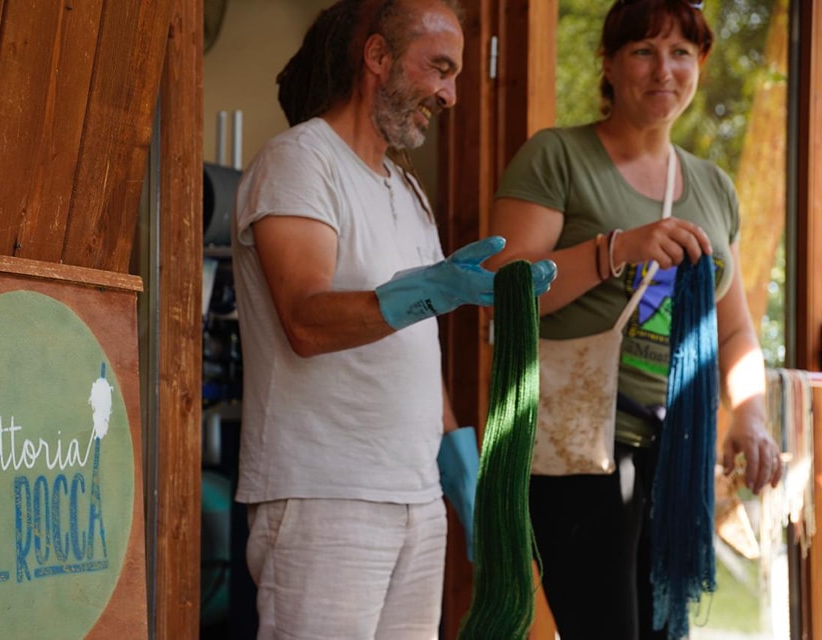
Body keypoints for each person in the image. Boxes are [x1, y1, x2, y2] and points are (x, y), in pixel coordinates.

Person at [231, 0, 554, 637]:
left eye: (457, 75)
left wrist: (467, 479)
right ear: (377, 57)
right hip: (327, 496)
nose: (451, 94)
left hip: (417, 498)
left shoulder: (407, 193)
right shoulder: (299, 160)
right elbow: (306, 320)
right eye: (439, 68)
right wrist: (431, 289)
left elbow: (416, 356)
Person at [488, 1, 784, 638]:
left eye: (681, 52)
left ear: (699, 63)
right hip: (576, 451)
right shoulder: (556, 157)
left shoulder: (712, 185)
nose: (664, 70)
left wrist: (750, 416)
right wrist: (615, 249)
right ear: (610, 64)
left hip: (677, 448)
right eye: (644, 51)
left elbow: (732, 331)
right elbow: (506, 295)